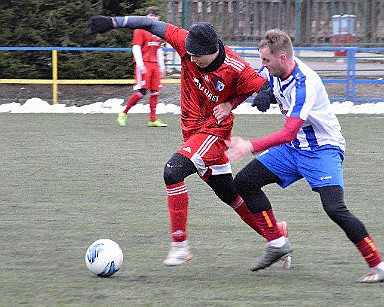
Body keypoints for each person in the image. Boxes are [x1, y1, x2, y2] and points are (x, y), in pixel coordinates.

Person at [88, 16, 291, 267]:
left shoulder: (234, 66)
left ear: (212, 50)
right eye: (189, 54)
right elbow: (151, 25)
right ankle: (278, 237)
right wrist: (114, 22)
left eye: (197, 56)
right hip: (193, 133)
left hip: (213, 132)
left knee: (172, 172)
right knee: (231, 197)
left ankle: (180, 246)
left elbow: (263, 87)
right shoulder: (186, 42)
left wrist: (256, 97)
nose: (191, 59)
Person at [227, 28, 384, 283]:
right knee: (245, 182)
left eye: (266, 60)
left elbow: (289, 132)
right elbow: (256, 79)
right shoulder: (274, 68)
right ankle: (278, 241)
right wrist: (242, 98)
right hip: (294, 150)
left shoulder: (304, 83)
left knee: (335, 208)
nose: (262, 65)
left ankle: (378, 265)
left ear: (282, 59)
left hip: (322, 149)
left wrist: (250, 146)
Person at [116, 6, 167, 128]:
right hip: (144, 64)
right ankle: (123, 113)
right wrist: (140, 64)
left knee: (155, 92)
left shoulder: (158, 31)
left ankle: (153, 119)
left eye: (155, 16)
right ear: (146, 17)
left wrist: (162, 66)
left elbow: (158, 49)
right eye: (150, 16)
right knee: (141, 92)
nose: (153, 18)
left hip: (155, 65)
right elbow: (136, 47)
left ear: (158, 18)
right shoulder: (140, 29)